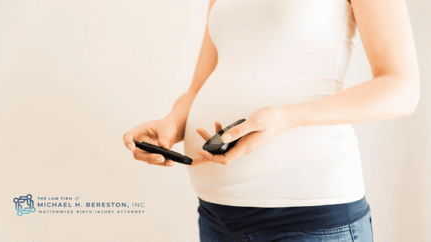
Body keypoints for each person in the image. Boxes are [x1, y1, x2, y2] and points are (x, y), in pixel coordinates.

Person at [123, 0, 420, 241]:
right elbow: (200, 86)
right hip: (217, 215)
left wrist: (286, 117)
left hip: (309, 216)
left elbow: (400, 88)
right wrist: (171, 124)